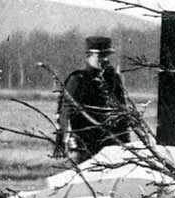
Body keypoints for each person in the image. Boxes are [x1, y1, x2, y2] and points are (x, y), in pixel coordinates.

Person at [54, 35, 134, 163]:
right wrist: (65, 139)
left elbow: (121, 113)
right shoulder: (77, 79)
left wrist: (124, 142)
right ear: (89, 56)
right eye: (101, 56)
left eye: (107, 55)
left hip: (111, 145)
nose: (105, 60)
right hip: (84, 145)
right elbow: (65, 112)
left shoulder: (114, 79)